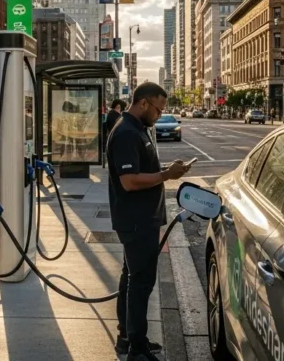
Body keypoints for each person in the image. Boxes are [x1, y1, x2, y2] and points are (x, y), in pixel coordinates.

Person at [106, 83, 191, 361]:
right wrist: (166, 176)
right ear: (143, 103)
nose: (160, 114)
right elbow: (129, 181)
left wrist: (167, 170)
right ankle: (137, 349)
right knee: (140, 284)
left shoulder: (139, 129)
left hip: (142, 219)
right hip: (136, 221)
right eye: (158, 109)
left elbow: (144, 171)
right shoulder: (126, 133)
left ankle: (127, 338)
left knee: (131, 280)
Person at [102, 99, 127, 165]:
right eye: (122, 108)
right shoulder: (114, 115)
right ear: (118, 106)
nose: (123, 110)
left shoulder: (113, 114)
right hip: (115, 139)